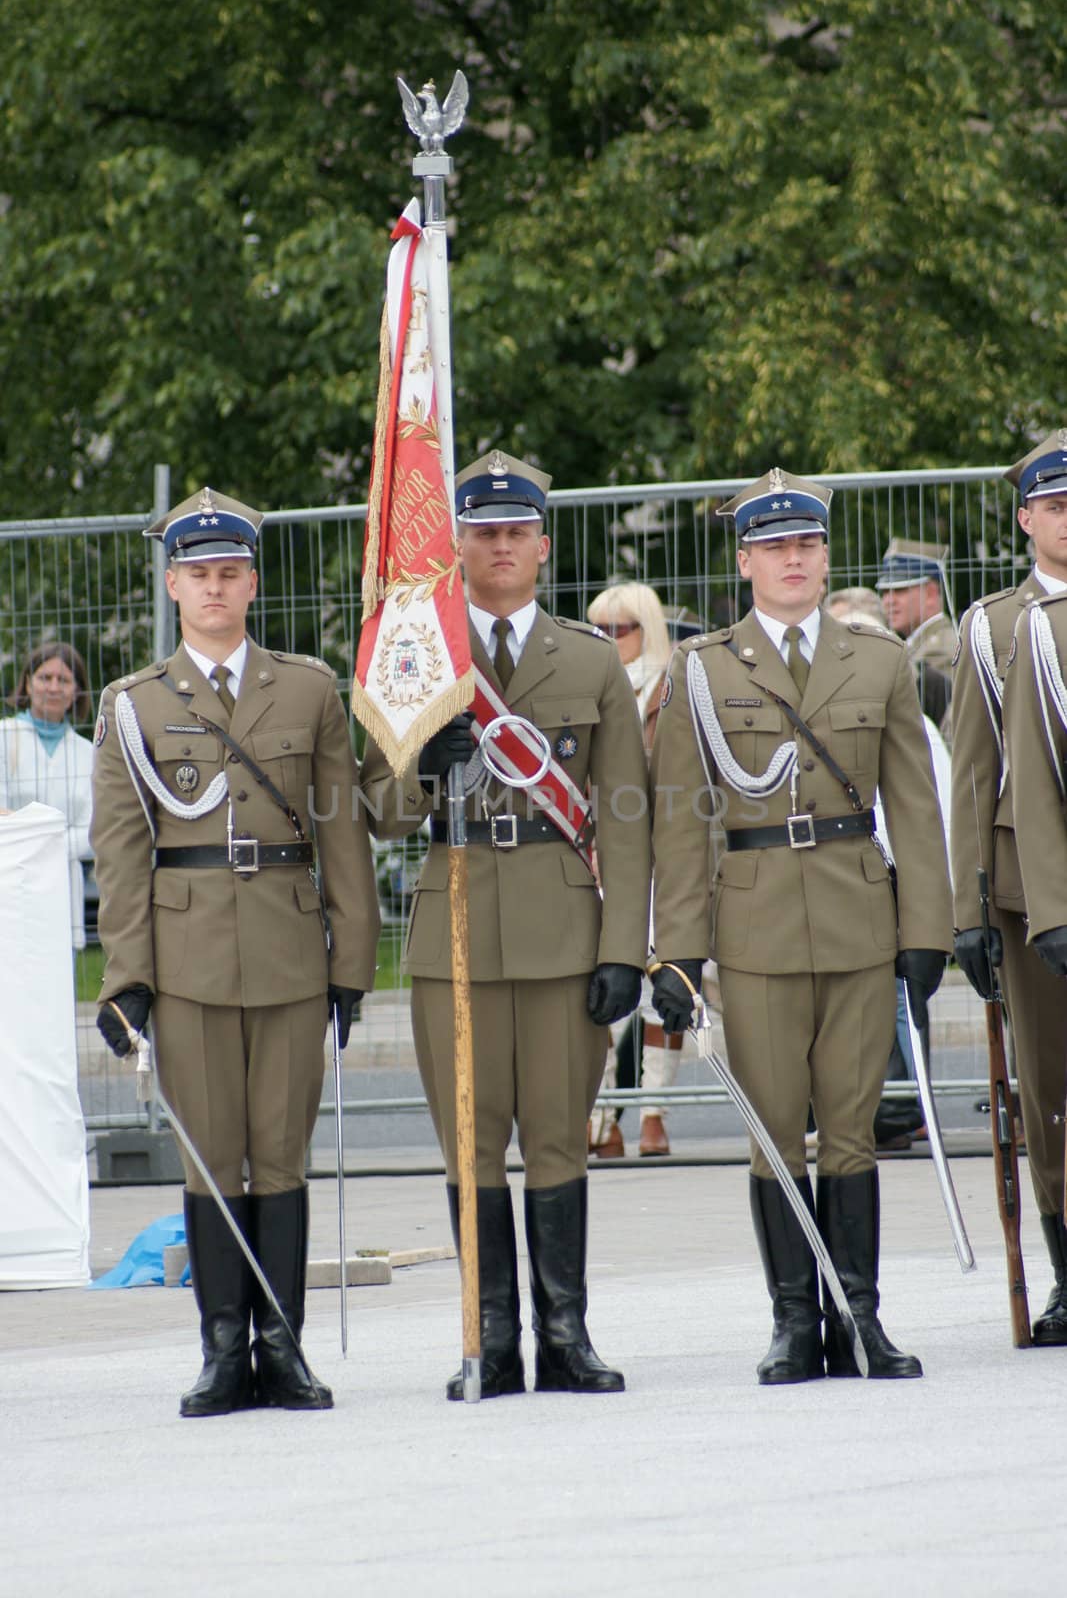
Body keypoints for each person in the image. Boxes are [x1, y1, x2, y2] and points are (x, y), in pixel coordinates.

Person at [649, 467, 952, 1385]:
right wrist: (678, 950)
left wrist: (927, 929)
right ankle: (793, 1322)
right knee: (775, 1130)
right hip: (755, 925)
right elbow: (679, 815)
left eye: (808, 544)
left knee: (852, 1127)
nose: (794, 559)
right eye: (775, 546)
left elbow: (914, 802)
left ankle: (858, 1316)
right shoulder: (700, 670)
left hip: (860, 912)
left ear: (826, 556)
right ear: (744, 561)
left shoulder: (879, 661)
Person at [361, 449, 651, 1400]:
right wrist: (420, 760)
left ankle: (564, 1335)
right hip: (457, 932)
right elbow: (382, 812)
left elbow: (625, 816)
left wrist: (623, 951)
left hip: (567, 934)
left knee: (560, 1138)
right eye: (480, 533)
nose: (497, 546)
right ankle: (488, 1338)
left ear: (542, 545)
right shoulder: (421, 654)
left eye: (513, 532)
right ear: (459, 547)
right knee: (472, 1145)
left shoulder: (589, 658)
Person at [91, 487, 380, 1416]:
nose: (215, 588)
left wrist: (352, 966)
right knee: (213, 1157)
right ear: (173, 585)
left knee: (281, 1154)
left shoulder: (307, 689)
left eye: (229, 572)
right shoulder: (130, 707)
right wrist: (128, 979)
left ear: (252, 582)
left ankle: (283, 1347)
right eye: (198, 574)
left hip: (293, 948)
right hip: (189, 958)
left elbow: (343, 838)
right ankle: (223, 1350)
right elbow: (124, 853)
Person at [970, 431, 1067, 1343]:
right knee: (1046, 1087)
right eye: (1057, 505)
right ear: (1025, 517)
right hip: (1030, 893)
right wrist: (968, 908)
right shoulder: (994, 625)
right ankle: (1066, 1270)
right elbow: (971, 773)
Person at [824, 587, 952, 1151]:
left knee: (901, 1001)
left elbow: (932, 806)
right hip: (853, 876)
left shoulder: (911, 719)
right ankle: (883, 1106)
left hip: (891, 874)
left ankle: (907, 1104)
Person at [585, 581, 682, 1157]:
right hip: (606, 853)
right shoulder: (589, 682)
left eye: (619, 629)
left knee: (666, 988)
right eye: (599, 629)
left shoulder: (671, 685)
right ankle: (600, 1120)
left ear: (647, 629)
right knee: (604, 987)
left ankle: (653, 1116)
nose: (608, 639)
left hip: (667, 853)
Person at [0, 642, 95, 948]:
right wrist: (51, 836)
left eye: (64, 680)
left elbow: (94, 830)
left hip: (62, 890)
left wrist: (35, 837)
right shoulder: (4, 737)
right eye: (45, 677)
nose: (54, 687)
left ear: (77, 691)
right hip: (10, 881)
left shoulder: (88, 752)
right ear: (27, 683)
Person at [875, 537, 956, 734]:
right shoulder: (916, 645)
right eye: (885, 592)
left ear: (930, 593)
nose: (888, 601)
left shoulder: (942, 648)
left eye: (899, 590)